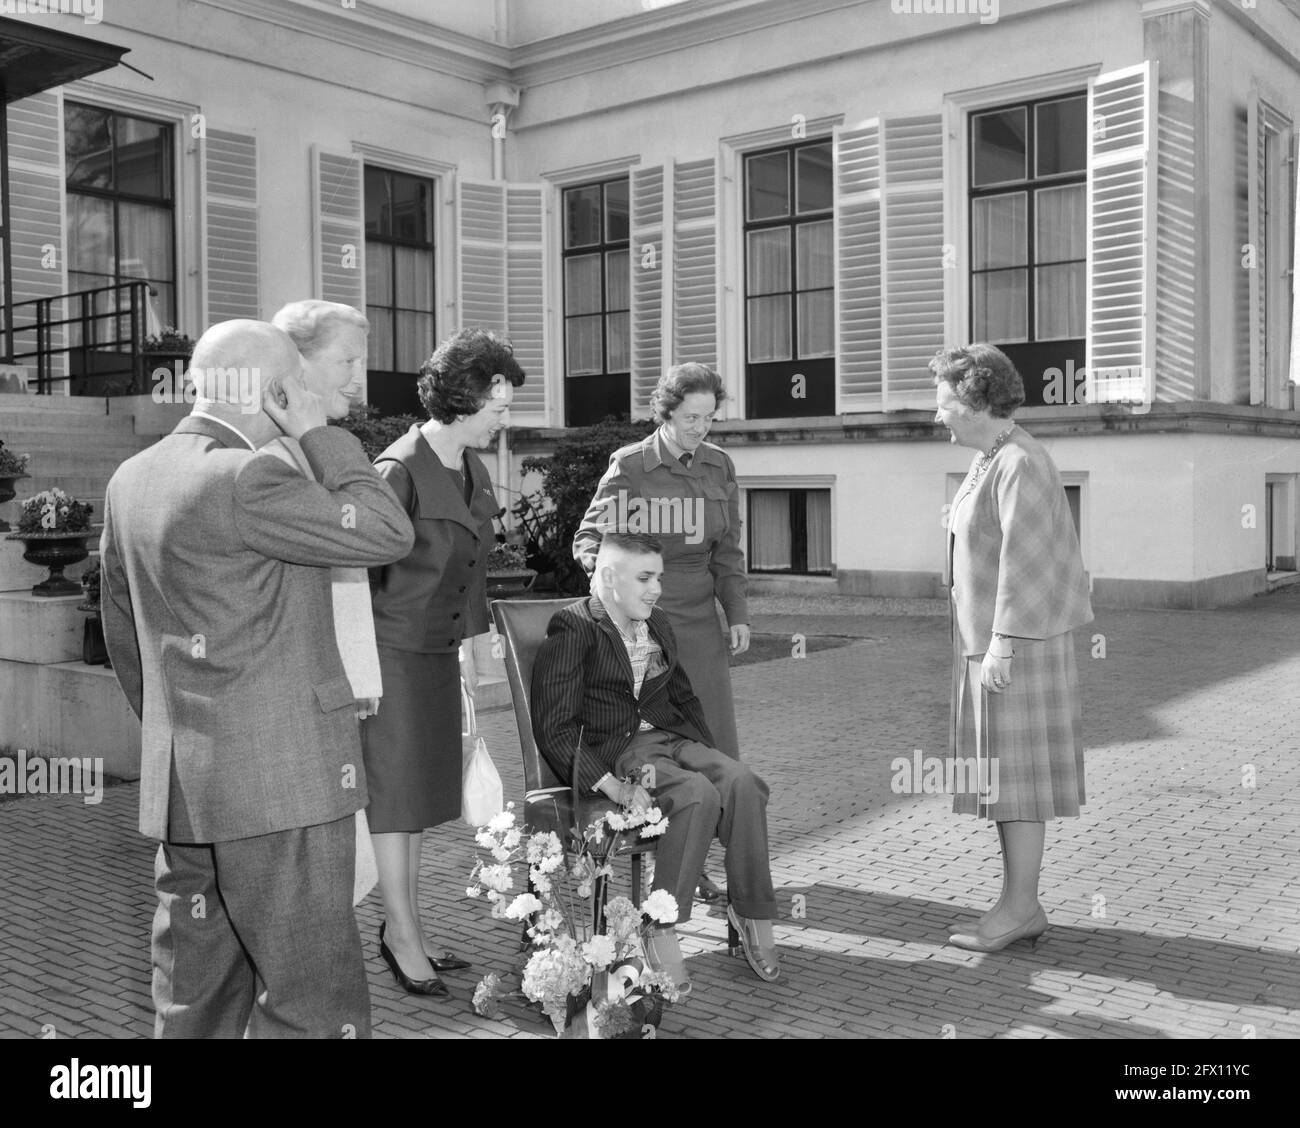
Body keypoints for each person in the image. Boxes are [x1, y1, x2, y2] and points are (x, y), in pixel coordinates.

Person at [99, 320, 415, 1037]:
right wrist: (316, 435)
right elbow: (386, 530)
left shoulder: (132, 477)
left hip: (186, 790)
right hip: (282, 788)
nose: (309, 396)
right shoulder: (249, 475)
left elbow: (123, 632)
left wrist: (180, 732)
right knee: (313, 1004)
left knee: (193, 1000)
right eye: (297, 385)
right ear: (273, 392)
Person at [532, 531, 780, 990]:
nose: (656, 589)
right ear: (608, 577)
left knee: (742, 781)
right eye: (644, 578)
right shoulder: (574, 626)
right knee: (694, 794)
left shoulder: (658, 624)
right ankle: (659, 924)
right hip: (620, 751)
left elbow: (682, 697)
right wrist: (611, 786)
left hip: (672, 740)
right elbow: (555, 727)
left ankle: (750, 909)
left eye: (658, 578)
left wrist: (709, 756)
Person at [363, 327, 524, 997]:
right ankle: (399, 936)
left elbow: (474, 563)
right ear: (462, 399)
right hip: (390, 656)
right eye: (499, 406)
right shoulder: (397, 470)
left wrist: (478, 640)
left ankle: (410, 926)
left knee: (422, 799)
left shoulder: (469, 465)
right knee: (393, 803)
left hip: (436, 655)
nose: (505, 418)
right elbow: (354, 578)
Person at [934, 343, 1093, 953]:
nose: (938, 415)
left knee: (1017, 780)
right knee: (1003, 779)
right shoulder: (995, 455)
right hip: (994, 645)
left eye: (944, 403)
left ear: (975, 403)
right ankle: (1017, 903)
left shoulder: (1017, 461)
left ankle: (1022, 906)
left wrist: (1001, 645)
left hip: (1014, 649)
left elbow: (1026, 562)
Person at [573, 362, 748, 903]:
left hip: (700, 626)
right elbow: (589, 538)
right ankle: (672, 865)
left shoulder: (720, 466)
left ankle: (695, 861)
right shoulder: (630, 466)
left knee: (709, 742)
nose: (702, 428)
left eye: (709, 418)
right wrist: (614, 595)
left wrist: (737, 613)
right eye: (691, 417)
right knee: (654, 748)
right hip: (646, 626)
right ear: (665, 414)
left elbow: (728, 552)